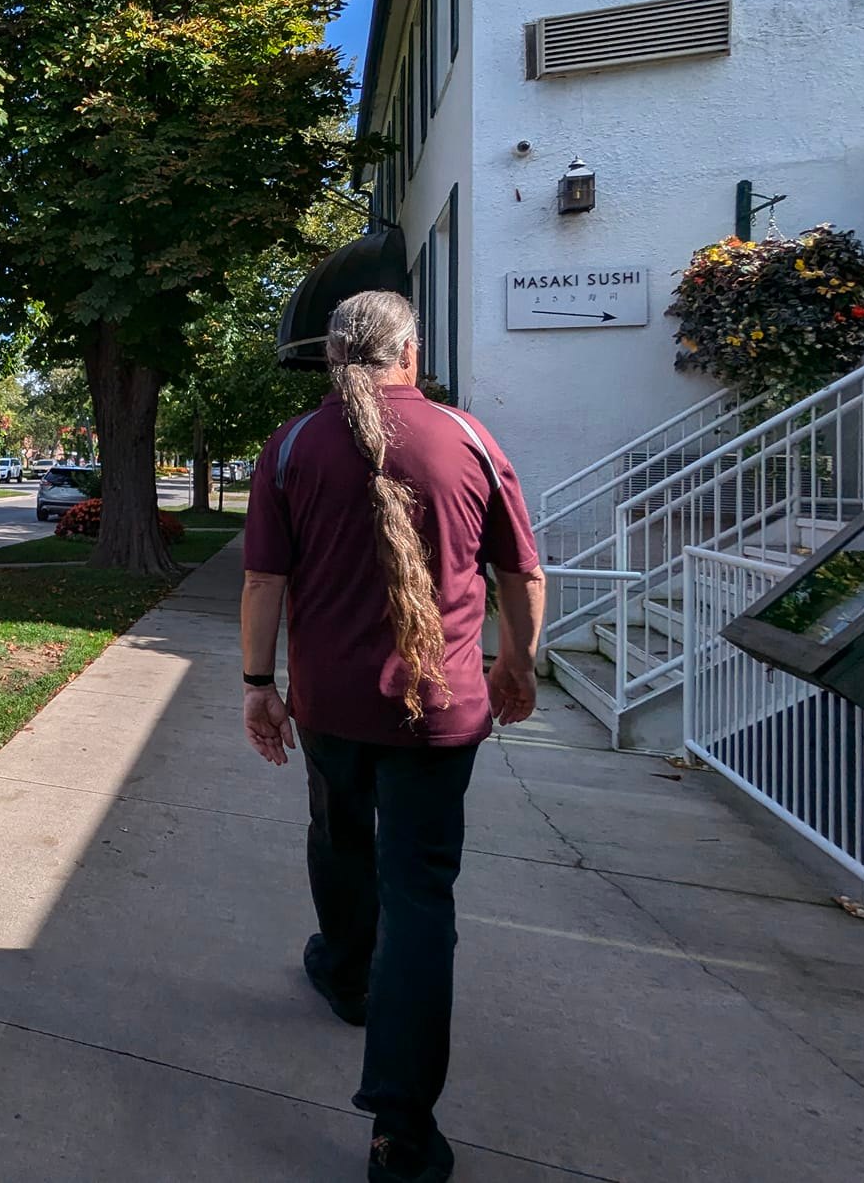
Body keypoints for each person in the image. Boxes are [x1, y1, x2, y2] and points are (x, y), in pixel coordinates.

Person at [238, 291, 545, 1183]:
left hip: (331, 707)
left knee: (338, 838)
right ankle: (401, 1136)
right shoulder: (468, 438)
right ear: (409, 352)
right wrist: (517, 664)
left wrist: (258, 685)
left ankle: (345, 976)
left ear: (334, 356)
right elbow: (521, 573)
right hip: (441, 715)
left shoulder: (293, 446)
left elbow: (263, 583)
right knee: (419, 901)